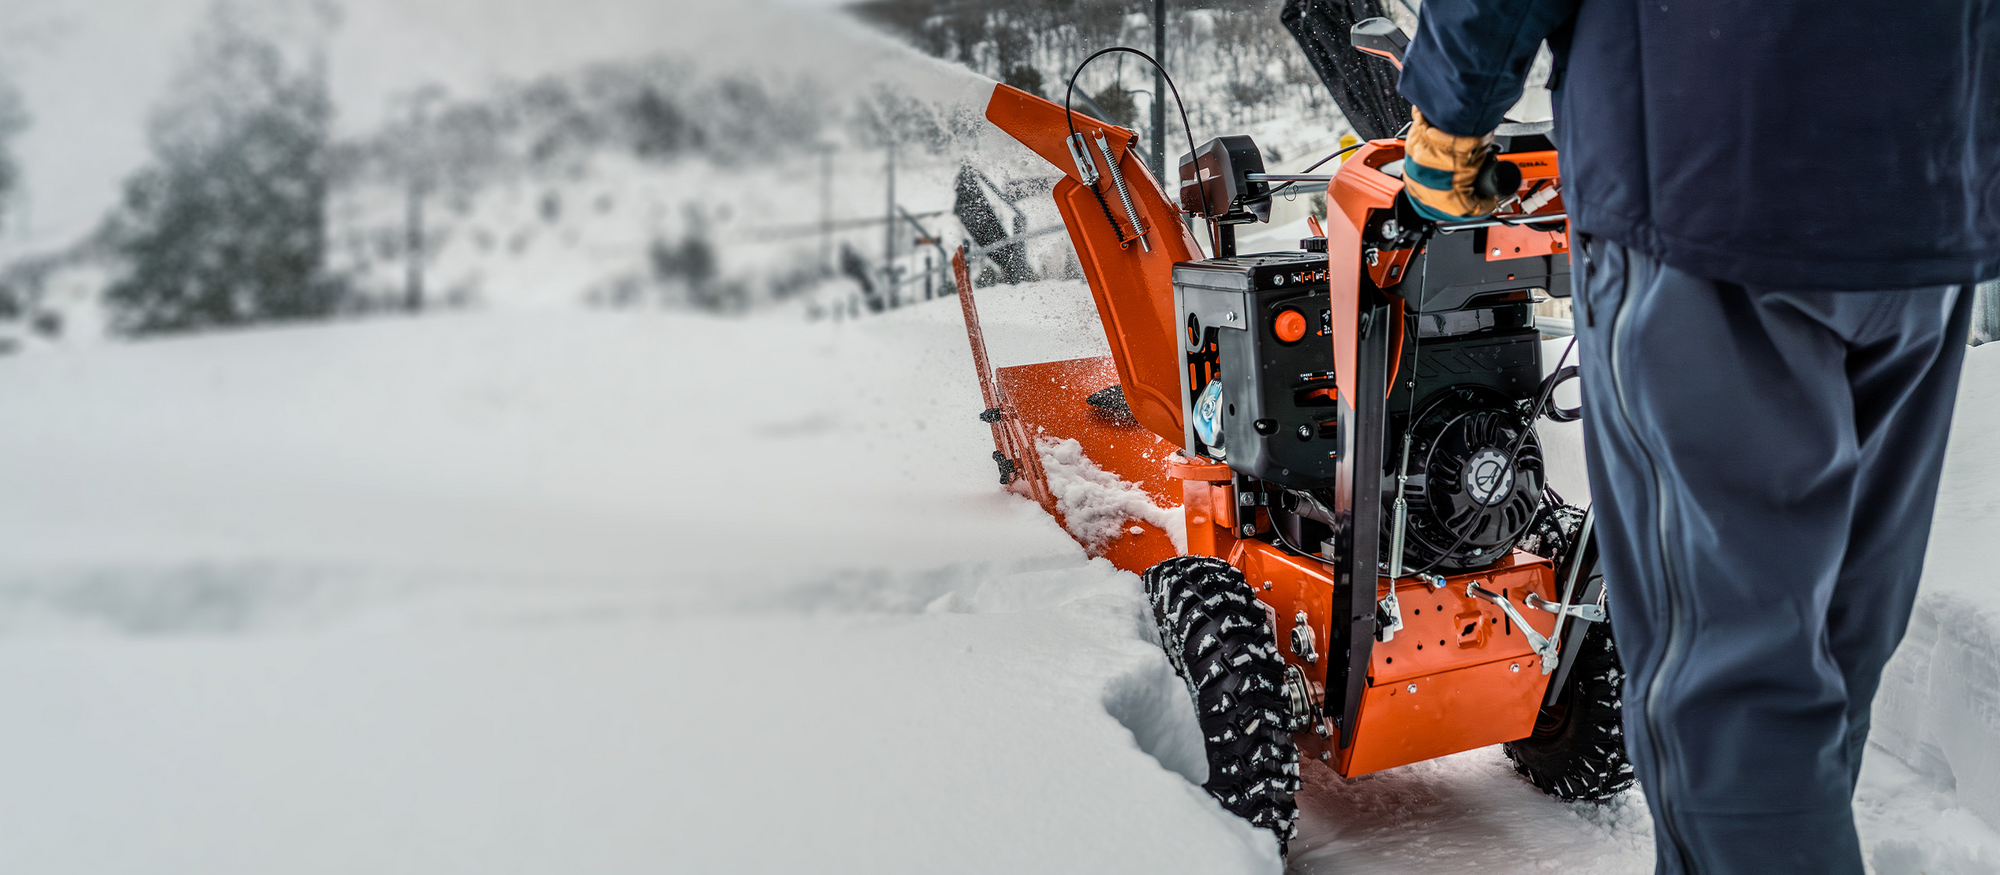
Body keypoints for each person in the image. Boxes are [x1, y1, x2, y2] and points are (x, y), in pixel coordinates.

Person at [1393, 1, 1996, 872]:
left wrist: (1450, 119)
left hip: (1711, 176)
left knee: (1738, 694)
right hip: (1931, 197)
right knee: (1829, 644)